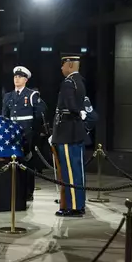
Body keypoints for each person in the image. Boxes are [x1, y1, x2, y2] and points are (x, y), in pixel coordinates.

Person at [49, 54, 88, 217]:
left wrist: (55, 132)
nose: (61, 68)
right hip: (76, 131)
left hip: (66, 132)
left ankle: (73, 207)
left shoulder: (68, 83)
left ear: (70, 65)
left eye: (64, 64)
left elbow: (71, 106)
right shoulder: (80, 81)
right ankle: (79, 203)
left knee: (69, 171)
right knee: (77, 170)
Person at [1, 65, 46, 201]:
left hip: (27, 134)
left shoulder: (31, 95)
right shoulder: (8, 96)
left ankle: (28, 192)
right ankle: (15, 191)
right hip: (13, 133)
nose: (17, 79)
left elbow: (41, 112)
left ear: (26, 79)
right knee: (14, 162)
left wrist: (34, 131)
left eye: (20, 77)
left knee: (27, 163)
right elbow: (4, 115)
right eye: (15, 76)